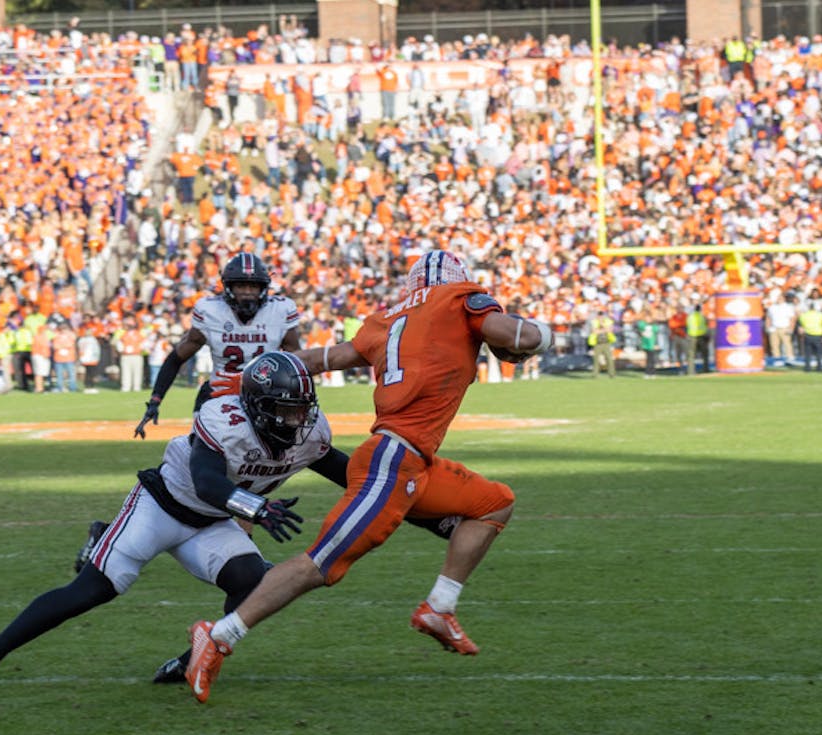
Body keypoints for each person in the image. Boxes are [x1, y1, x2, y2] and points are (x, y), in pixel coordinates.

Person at [182, 249, 553, 703]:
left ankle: (439, 607)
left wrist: (242, 379)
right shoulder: (462, 299)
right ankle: (218, 635)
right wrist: (543, 335)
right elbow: (518, 335)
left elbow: (321, 358)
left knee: (493, 503)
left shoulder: (387, 319)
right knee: (319, 565)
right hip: (393, 462)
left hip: (409, 461)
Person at [0, 351, 399, 700]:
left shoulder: (309, 433)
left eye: (302, 409)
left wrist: (410, 493)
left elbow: (353, 474)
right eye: (286, 410)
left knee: (257, 584)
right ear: (257, 408)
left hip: (213, 523)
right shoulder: (225, 420)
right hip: (162, 506)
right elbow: (205, 481)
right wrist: (256, 509)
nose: (297, 421)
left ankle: (189, 661)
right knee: (93, 590)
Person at [134, 252, 301, 438]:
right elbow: (177, 358)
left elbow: (298, 362)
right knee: (199, 452)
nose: (247, 292)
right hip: (219, 393)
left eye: (253, 286)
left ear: (263, 288)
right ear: (228, 287)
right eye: (240, 285)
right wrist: (156, 399)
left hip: (264, 396)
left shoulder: (280, 310)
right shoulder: (210, 310)